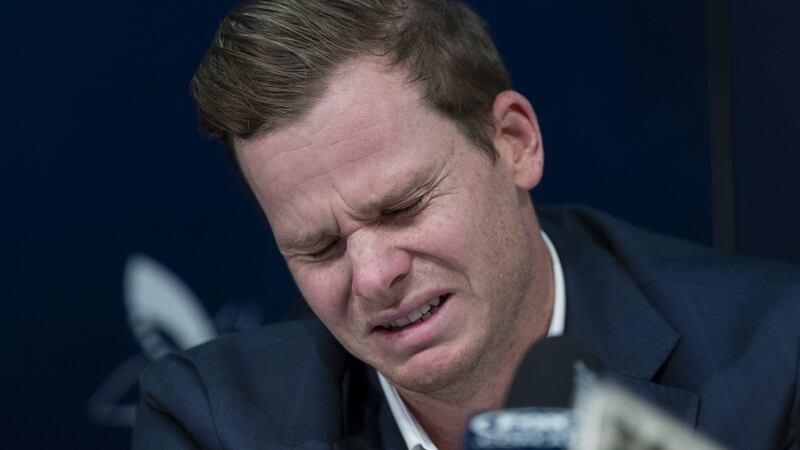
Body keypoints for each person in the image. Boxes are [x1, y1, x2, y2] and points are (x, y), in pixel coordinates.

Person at [133, 1, 800, 449]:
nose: (372, 277)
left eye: (402, 207)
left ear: (514, 142)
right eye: (319, 246)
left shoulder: (777, 360)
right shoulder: (217, 421)